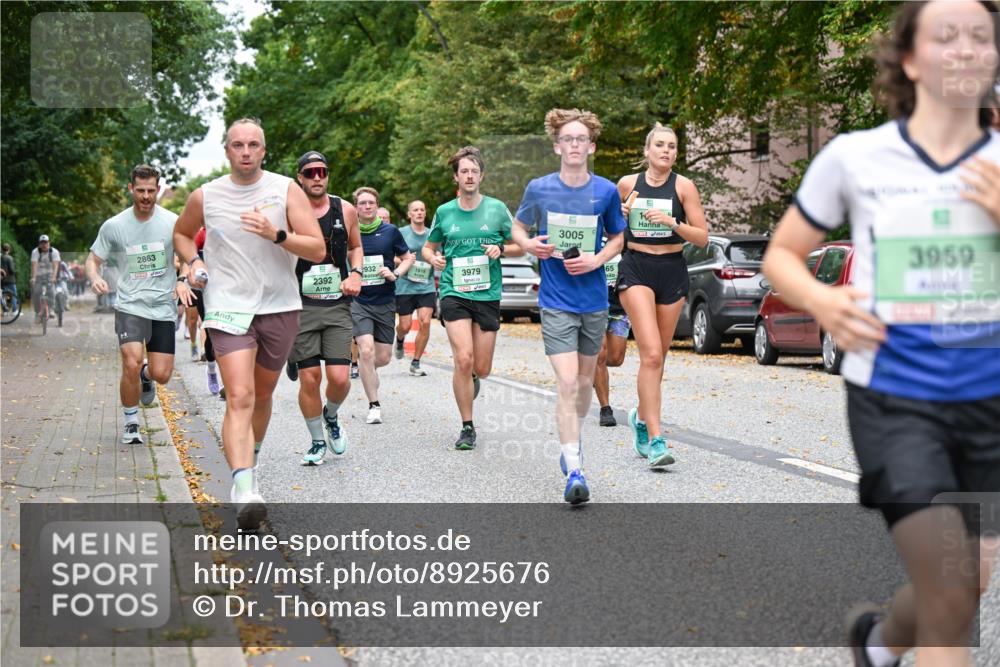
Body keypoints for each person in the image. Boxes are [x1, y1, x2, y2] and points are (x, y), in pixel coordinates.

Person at [761, 3, 1000, 665]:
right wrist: (822, 300)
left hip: (991, 406)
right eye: (946, 35)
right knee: (950, 589)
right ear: (912, 60)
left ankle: (880, 641)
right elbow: (781, 256)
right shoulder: (856, 157)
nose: (966, 48)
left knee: (967, 585)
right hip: (896, 401)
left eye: (981, 37)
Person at [174, 118, 325, 529]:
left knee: (261, 396)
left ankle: (249, 466)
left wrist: (277, 235)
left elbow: (316, 248)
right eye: (237, 145)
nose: (245, 151)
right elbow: (183, 234)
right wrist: (195, 261)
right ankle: (243, 488)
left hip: (280, 306)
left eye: (253, 144)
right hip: (228, 307)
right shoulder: (206, 195)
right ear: (226, 150)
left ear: (263, 150)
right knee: (239, 395)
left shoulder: (285, 189)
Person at [512, 109, 626, 504]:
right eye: (568, 139)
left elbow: (618, 238)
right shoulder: (540, 188)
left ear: (591, 147)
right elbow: (518, 228)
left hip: (593, 300)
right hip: (556, 299)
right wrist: (529, 244)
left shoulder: (606, 191)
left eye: (581, 139)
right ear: (557, 146)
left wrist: (597, 260)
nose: (574, 145)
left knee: (583, 384)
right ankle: (575, 467)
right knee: (566, 382)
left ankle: (571, 443)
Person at [617, 123, 709, 466]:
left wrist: (673, 223)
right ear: (647, 150)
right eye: (660, 145)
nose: (666, 150)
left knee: (659, 357)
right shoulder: (627, 185)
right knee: (652, 354)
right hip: (636, 267)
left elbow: (702, 237)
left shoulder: (684, 187)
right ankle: (655, 439)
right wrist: (619, 215)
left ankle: (640, 417)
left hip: (671, 269)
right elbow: (609, 231)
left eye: (671, 146)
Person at [422, 147, 520, 449]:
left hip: (487, 294)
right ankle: (467, 426)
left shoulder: (497, 209)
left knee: (482, 367)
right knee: (463, 359)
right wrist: (433, 259)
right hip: (454, 291)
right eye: (464, 171)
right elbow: (428, 247)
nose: (469, 176)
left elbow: (521, 245)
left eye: (474, 171)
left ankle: (473, 376)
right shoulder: (444, 212)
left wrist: (501, 249)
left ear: (481, 176)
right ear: (456, 177)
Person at [85, 165, 184, 444]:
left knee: (162, 374)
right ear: (130, 189)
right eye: (140, 190)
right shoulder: (115, 225)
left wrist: (183, 279)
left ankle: (146, 375)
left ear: (158, 189)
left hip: (162, 306)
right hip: (129, 304)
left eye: (151, 190)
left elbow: (187, 256)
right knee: (131, 361)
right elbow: (93, 260)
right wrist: (94, 277)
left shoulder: (172, 222)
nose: (146, 196)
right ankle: (131, 422)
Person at [285, 151, 363, 465]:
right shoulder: (288, 213)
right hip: (300, 306)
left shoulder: (345, 209)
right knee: (310, 379)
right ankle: (317, 442)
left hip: (337, 304)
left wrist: (356, 274)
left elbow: (356, 247)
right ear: (300, 178)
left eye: (322, 171)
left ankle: (331, 416)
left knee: (340, 378)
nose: (317, 177)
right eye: (310, 172)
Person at [351, 186, 413, 424]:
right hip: (358, 301)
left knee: (383, 357)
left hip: (385, 300)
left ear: (377, 206)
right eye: (362, 203)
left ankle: (366, 368)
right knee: (366, 351)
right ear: (356, 207)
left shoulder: (390, 231)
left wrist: (394, 273)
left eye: (371, 203)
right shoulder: (349, 232)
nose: (367, 206)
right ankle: (374, 405)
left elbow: (408, 258)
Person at [394, 199, 436, 376]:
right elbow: (392, 256)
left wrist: (437, 258)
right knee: (405, 326)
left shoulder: (433, 234)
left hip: (426, 285)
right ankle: (400, 339)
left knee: (425, 322)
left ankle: (416, 363)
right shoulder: (400, 233)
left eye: (422, 210)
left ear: (425, 213)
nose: (419, 212)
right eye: (415, 210)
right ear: (409, 214)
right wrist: (405, 262)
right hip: (405, 286)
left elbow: (437, 253)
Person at [593, 252, 629, 426]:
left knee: (615, 359)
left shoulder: (625, 241)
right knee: (599, 354)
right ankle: (605, 409)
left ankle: (589, 366)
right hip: (594, 303)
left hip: (619, 305)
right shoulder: (593, 239)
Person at [30, 234, 60, 321]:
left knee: (51, 291)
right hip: (38, 275)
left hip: (50, 275)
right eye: (42, 243)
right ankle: (37, 312)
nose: (44, 245)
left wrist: (54, 277)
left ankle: (51, 309)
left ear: (49, 243)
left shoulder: (54, 252)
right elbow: (34, 266)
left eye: (45, 242)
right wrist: (33, 278)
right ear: (39, 244)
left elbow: (55, 266)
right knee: (36, 293)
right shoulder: (35, 252)